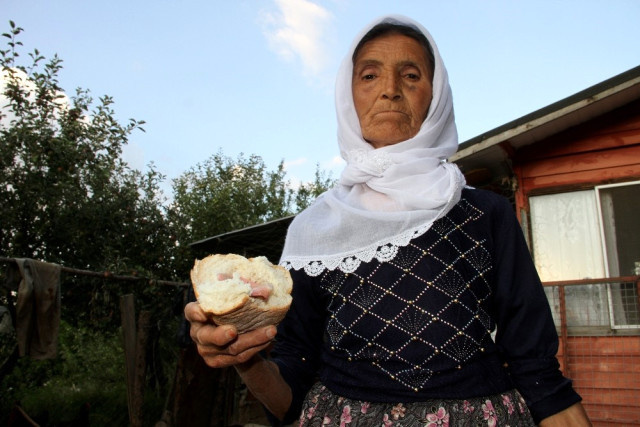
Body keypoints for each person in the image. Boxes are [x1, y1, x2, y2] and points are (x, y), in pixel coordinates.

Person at [185, 15, 592, 426]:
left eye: (411, 75)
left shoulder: (486, 214)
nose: (390, 91)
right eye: (369, 75)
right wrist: (246, 358)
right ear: (348, 97)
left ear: (436, 97)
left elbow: (537, 370)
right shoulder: (314, 230)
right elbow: (291, 387)